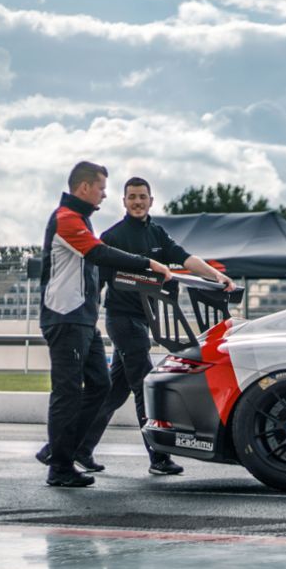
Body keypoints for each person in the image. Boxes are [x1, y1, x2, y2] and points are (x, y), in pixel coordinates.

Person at [76, 176, 235, 476]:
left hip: (143, 320)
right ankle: (158, 457)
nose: (137, 201)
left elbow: (186, 259)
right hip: (122, 320)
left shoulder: (157, 232)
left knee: (114, 390)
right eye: (132, 197)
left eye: (142, 197)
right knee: (143, 386)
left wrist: (217, 276)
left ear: (151, 200)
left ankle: (77, 449)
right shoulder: (112, 236)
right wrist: (85, 322)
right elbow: (96, 284)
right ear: (123, 201)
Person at [36, 161, 174, 488]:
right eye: (101, 188)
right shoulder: (66, 219)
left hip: (83, 320)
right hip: (64, 318)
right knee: (68, 393)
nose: (103, 194)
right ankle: (59, 466)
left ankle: (59, 451)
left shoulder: (80, 219)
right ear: (84, 187)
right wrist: (148, 264)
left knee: (101, 386)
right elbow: (99, 254)